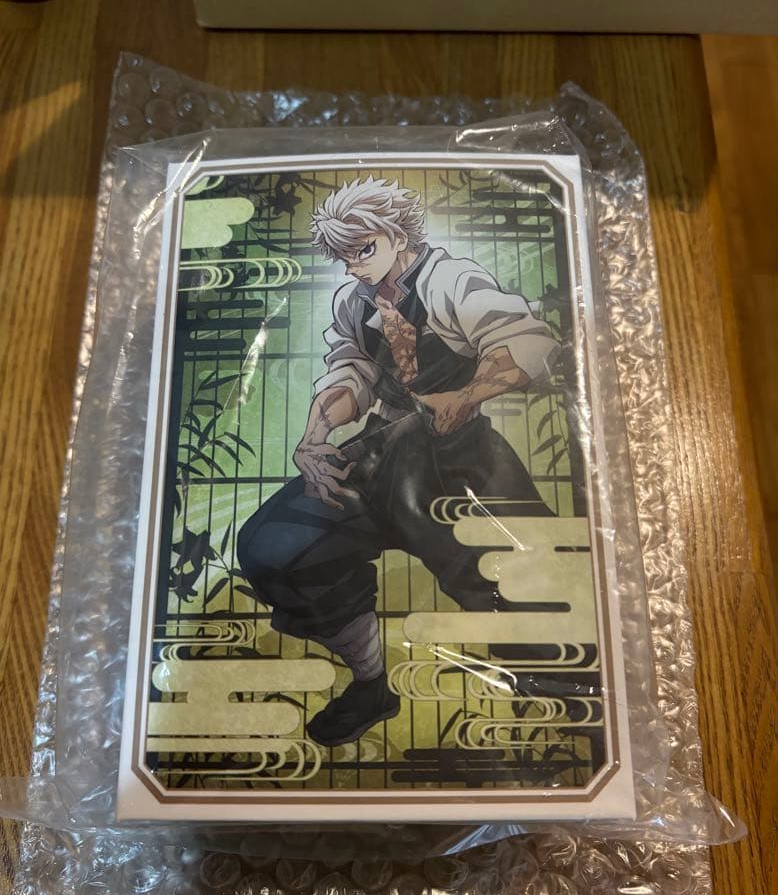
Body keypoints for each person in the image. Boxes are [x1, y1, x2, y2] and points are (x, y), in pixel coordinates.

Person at [237, 176, 561, 747]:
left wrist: (468, 395)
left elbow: (519, 337)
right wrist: (314, 435)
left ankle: (559, 696)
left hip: (461, 460)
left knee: (518, 585)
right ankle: (371, 686)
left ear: (398, 234)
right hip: (381, 453)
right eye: (344, 256)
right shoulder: (352, 303)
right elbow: (351, 374)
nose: (355, 267)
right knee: (277, 548)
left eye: (363, 249)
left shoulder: (451, 280)